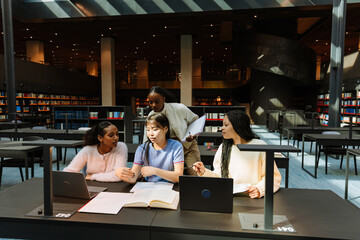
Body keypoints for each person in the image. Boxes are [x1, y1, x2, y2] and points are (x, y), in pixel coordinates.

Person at [193, 110, 281, 198]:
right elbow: (220, 176)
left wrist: (260, 189)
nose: (222, 128)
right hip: (229, 197)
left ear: (238, 126)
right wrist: (204, 172)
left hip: (253, 198)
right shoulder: (223, 147)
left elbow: (273, 177)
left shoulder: (260, 146)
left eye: (226, 125)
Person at [145, 86, 200, 175]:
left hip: (187, 145)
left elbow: (195, 119)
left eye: (157, 102)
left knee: (194, 173)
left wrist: (192, 134)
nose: (153, 105)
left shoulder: (179, 108)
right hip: (168, 150)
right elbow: (146, 138)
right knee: (171, 176)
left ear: (164, 99)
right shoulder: (151, 116)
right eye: (150, 102)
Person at [117, 113, 184, 183]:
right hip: (149, 188)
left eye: (155, 129)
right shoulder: (142, 149)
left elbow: (179, 177)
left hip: (170, 188)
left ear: (165, 129)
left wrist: (155, 171)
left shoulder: (176, 146)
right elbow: (133, 178)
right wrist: (118, 173)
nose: (151, 134)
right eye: (148, 130)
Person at [64, 121, 132, 182]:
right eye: (111, 135)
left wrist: (92, 176)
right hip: (93, 187)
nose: (116, 138)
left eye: (117, 134)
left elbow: (118, 176)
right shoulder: (88, 150)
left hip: (114, 188)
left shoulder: (121, 147)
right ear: (100, 138)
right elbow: (68, 172)